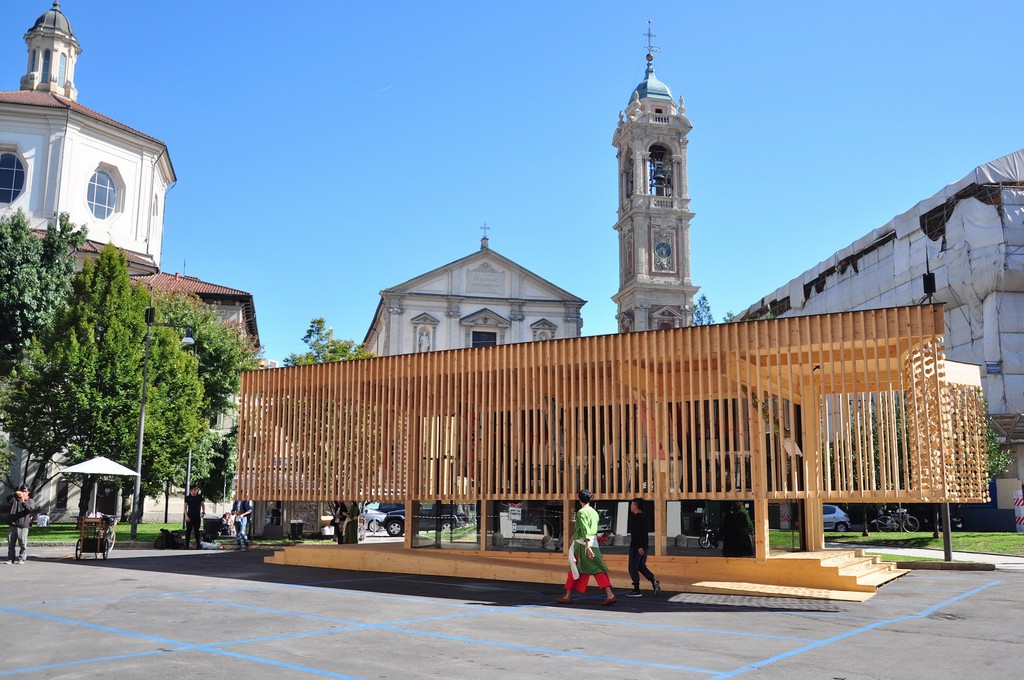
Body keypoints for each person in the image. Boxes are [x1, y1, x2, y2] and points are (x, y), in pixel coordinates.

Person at [557, 489, 615, 606]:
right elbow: (592, 530)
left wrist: (587, 547)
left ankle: (568, 596)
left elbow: (585, 530)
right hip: (593, 543)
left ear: (579, 499)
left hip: (583, 545)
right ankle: (609, 594)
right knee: (597, 569)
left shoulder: (581, 513)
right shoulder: (594, 512)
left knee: (574, 568)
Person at [625, 497, 661, 597]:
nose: (631, 506)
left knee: (633, 567)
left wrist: (639, 547)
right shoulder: (645, 517)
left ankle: (637, 589)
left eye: (632, 504)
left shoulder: (635, 518)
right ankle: (653, 581)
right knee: (641, 566)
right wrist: (644, 546)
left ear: (635, 506)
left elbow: (636, 534)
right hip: (645, 546)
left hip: (637, 547)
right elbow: (644, 534)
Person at [6, 485, 35, 565]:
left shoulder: (30, 501)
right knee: (11, 543)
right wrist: (14, 493)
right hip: (13, 524)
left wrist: (23, 501)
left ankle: (22, 558)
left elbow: (29, 509)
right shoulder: (15, 500)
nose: (24, 493)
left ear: (28, 492)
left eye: (25, 491)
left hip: (23, 525)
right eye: (22, 491)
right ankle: (10, 558)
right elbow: (7, 499)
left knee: (23, 543)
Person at [183, 484, 205, 549]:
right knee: (188, 530)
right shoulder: (188, 497)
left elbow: (202, 505)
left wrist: (203, 512)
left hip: (197, 516)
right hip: (190, 516)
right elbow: (185, 507)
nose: (196, 491)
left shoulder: (199, 497)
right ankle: (187, 544)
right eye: (194, 489)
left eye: (197, 490)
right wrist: (186, 516)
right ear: (191, 490)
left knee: (196, 530)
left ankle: (198, 544)